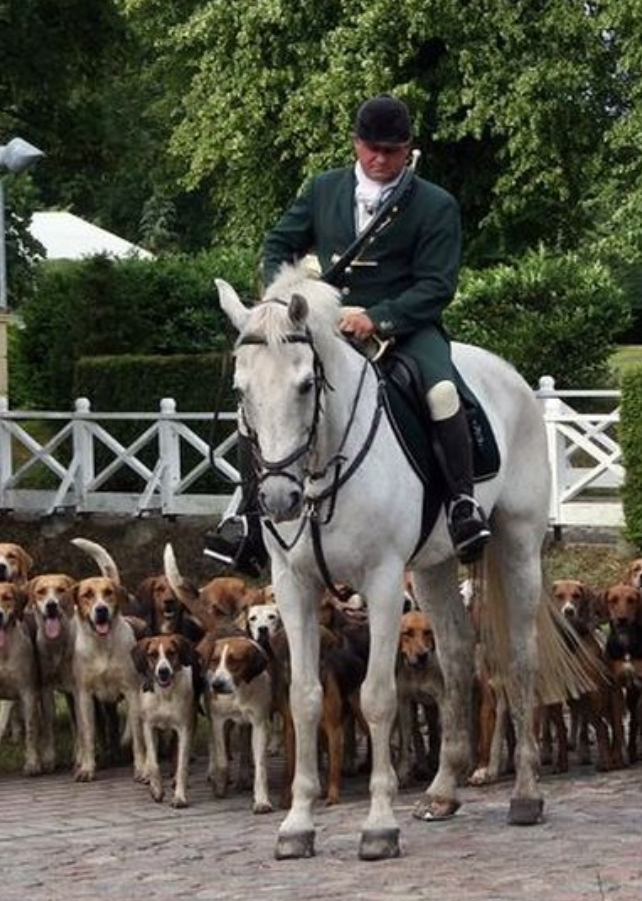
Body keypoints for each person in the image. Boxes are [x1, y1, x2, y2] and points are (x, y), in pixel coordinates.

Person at [203, 93, 492, 575]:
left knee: (442, 393)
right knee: (263, 391)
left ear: (408, 149)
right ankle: (249, 517)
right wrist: (281, 296)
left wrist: (379, 317)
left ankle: (463, 505)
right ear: (356, 143)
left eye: (392, 151)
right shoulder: (323, 189)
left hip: (407, 328)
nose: (379, 159)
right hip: (327, 324)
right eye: (371, 148)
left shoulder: (435, 203)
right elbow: (279, 242)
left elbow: (437, 285)